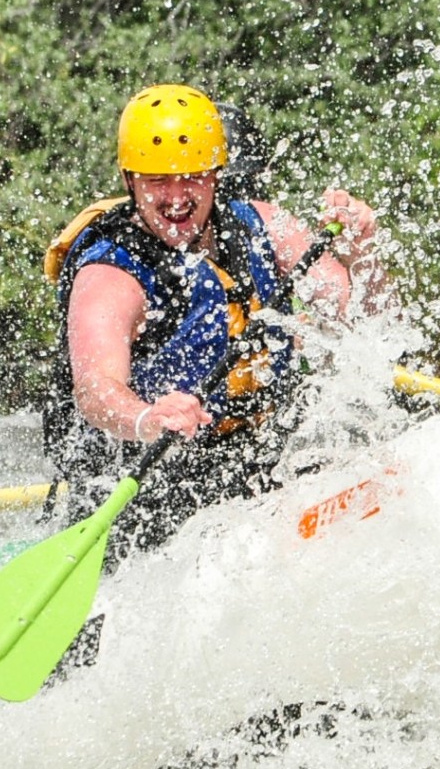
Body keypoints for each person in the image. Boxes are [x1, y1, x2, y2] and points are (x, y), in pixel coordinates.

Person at [42, 83, 387, 558]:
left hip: (259, 459)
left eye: (193, 177)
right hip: (150, 484)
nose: (177, 196)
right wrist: (147, 417)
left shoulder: (264, 225)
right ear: (129, 181)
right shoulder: (111, 273)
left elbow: (366, 321)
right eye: (157, 180)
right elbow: (96, 389)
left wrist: (363, 252)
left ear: (217, 175)